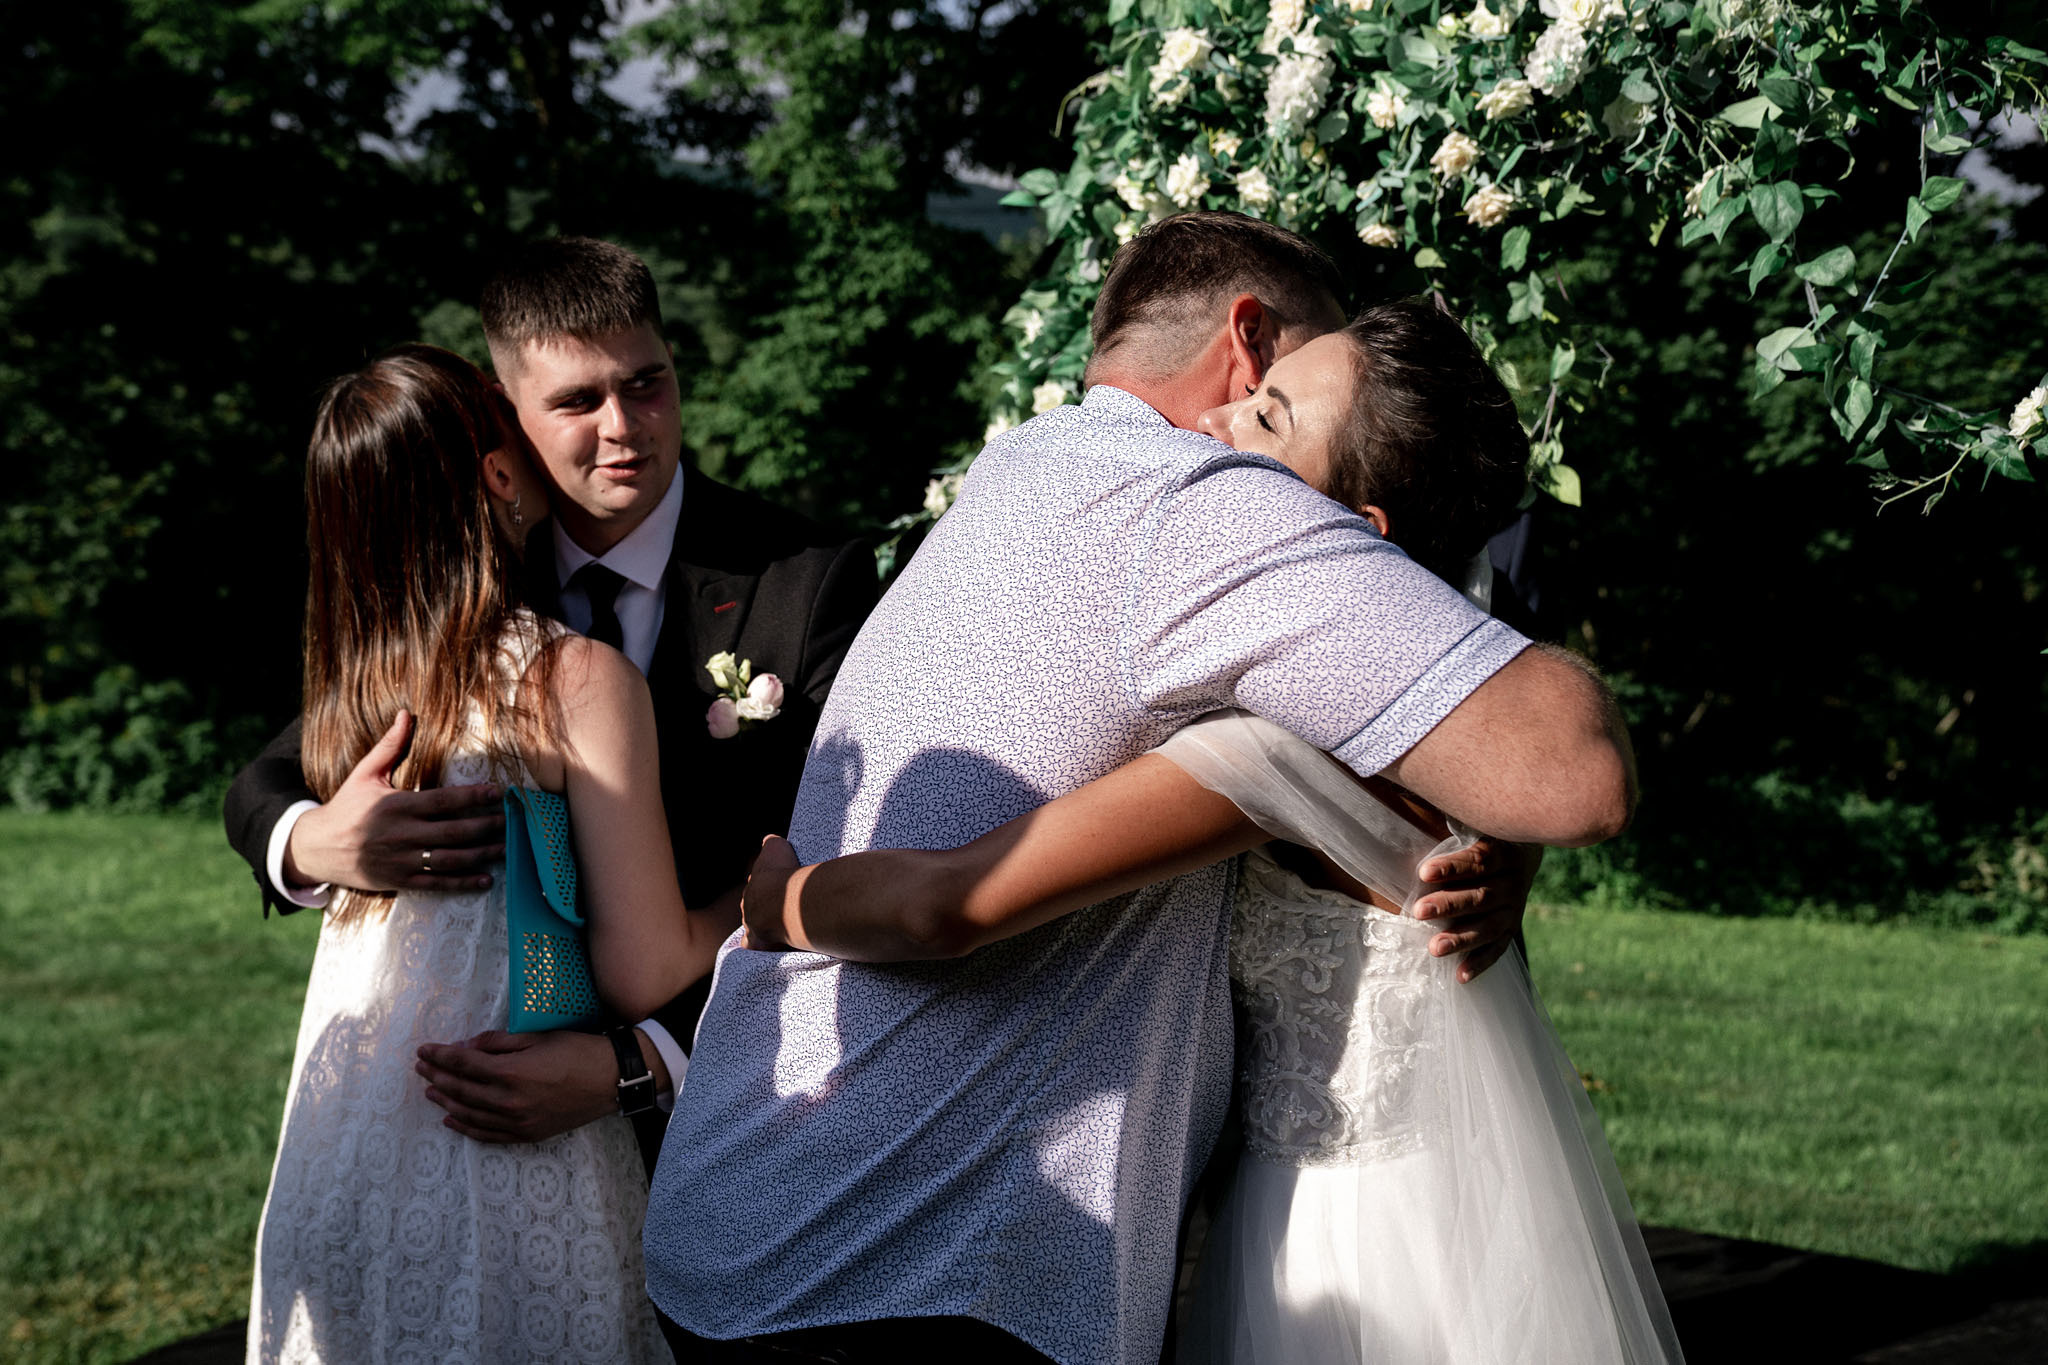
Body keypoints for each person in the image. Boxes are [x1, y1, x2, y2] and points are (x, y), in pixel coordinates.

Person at [641, 211, 1635, 1365]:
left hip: (778, 1219)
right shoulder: (1201, 515)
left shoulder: (1032, 462)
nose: (1223, 430)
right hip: (900, 1273)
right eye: (1258, 398)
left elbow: (1542, 771)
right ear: (1248, 334)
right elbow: (1573, 770)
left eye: (1267, 419)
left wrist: (777, 907)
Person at [221, 238, 877, 1148]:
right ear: (505, 411)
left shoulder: (807, 582)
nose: (625, 425)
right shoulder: (465, 587)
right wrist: (314, 841)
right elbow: (265, 781)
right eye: (577, 400)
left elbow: (857, 849)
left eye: (647, 382)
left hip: (743, 1105)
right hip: (467, 1111)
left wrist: (643, 1061)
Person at [245, 344, 731, 1363]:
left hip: (338, 1155)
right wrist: (762, 902)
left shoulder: (351, 697)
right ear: (500, 475)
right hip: (506, 1154)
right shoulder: (567, 681)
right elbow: (640, 965)